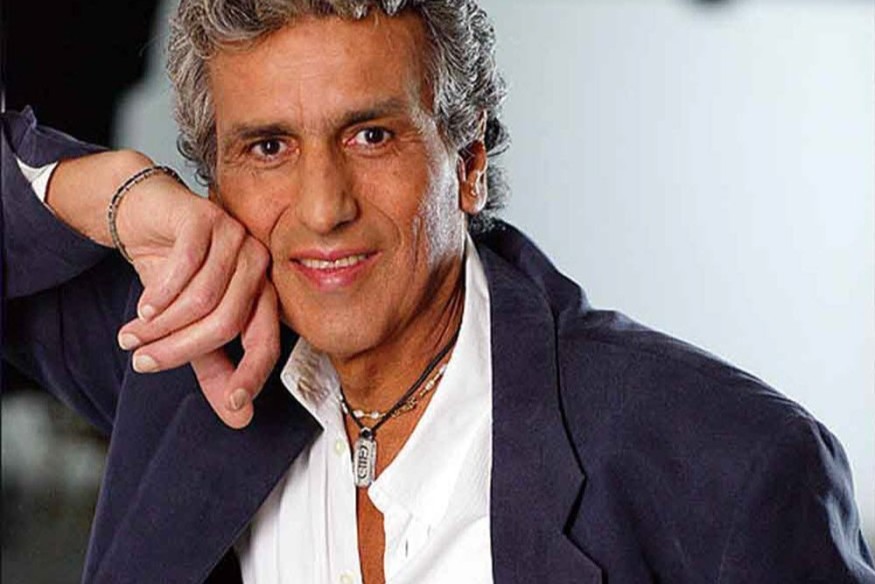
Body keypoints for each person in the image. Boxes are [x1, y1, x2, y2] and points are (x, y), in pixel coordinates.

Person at [2, 1, 873, 582]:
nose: (323, 207)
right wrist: (110, 190)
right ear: (216, 183)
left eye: (371, 135)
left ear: (467, 165)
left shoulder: (731, 464)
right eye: (268, 148)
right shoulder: (178, 354)